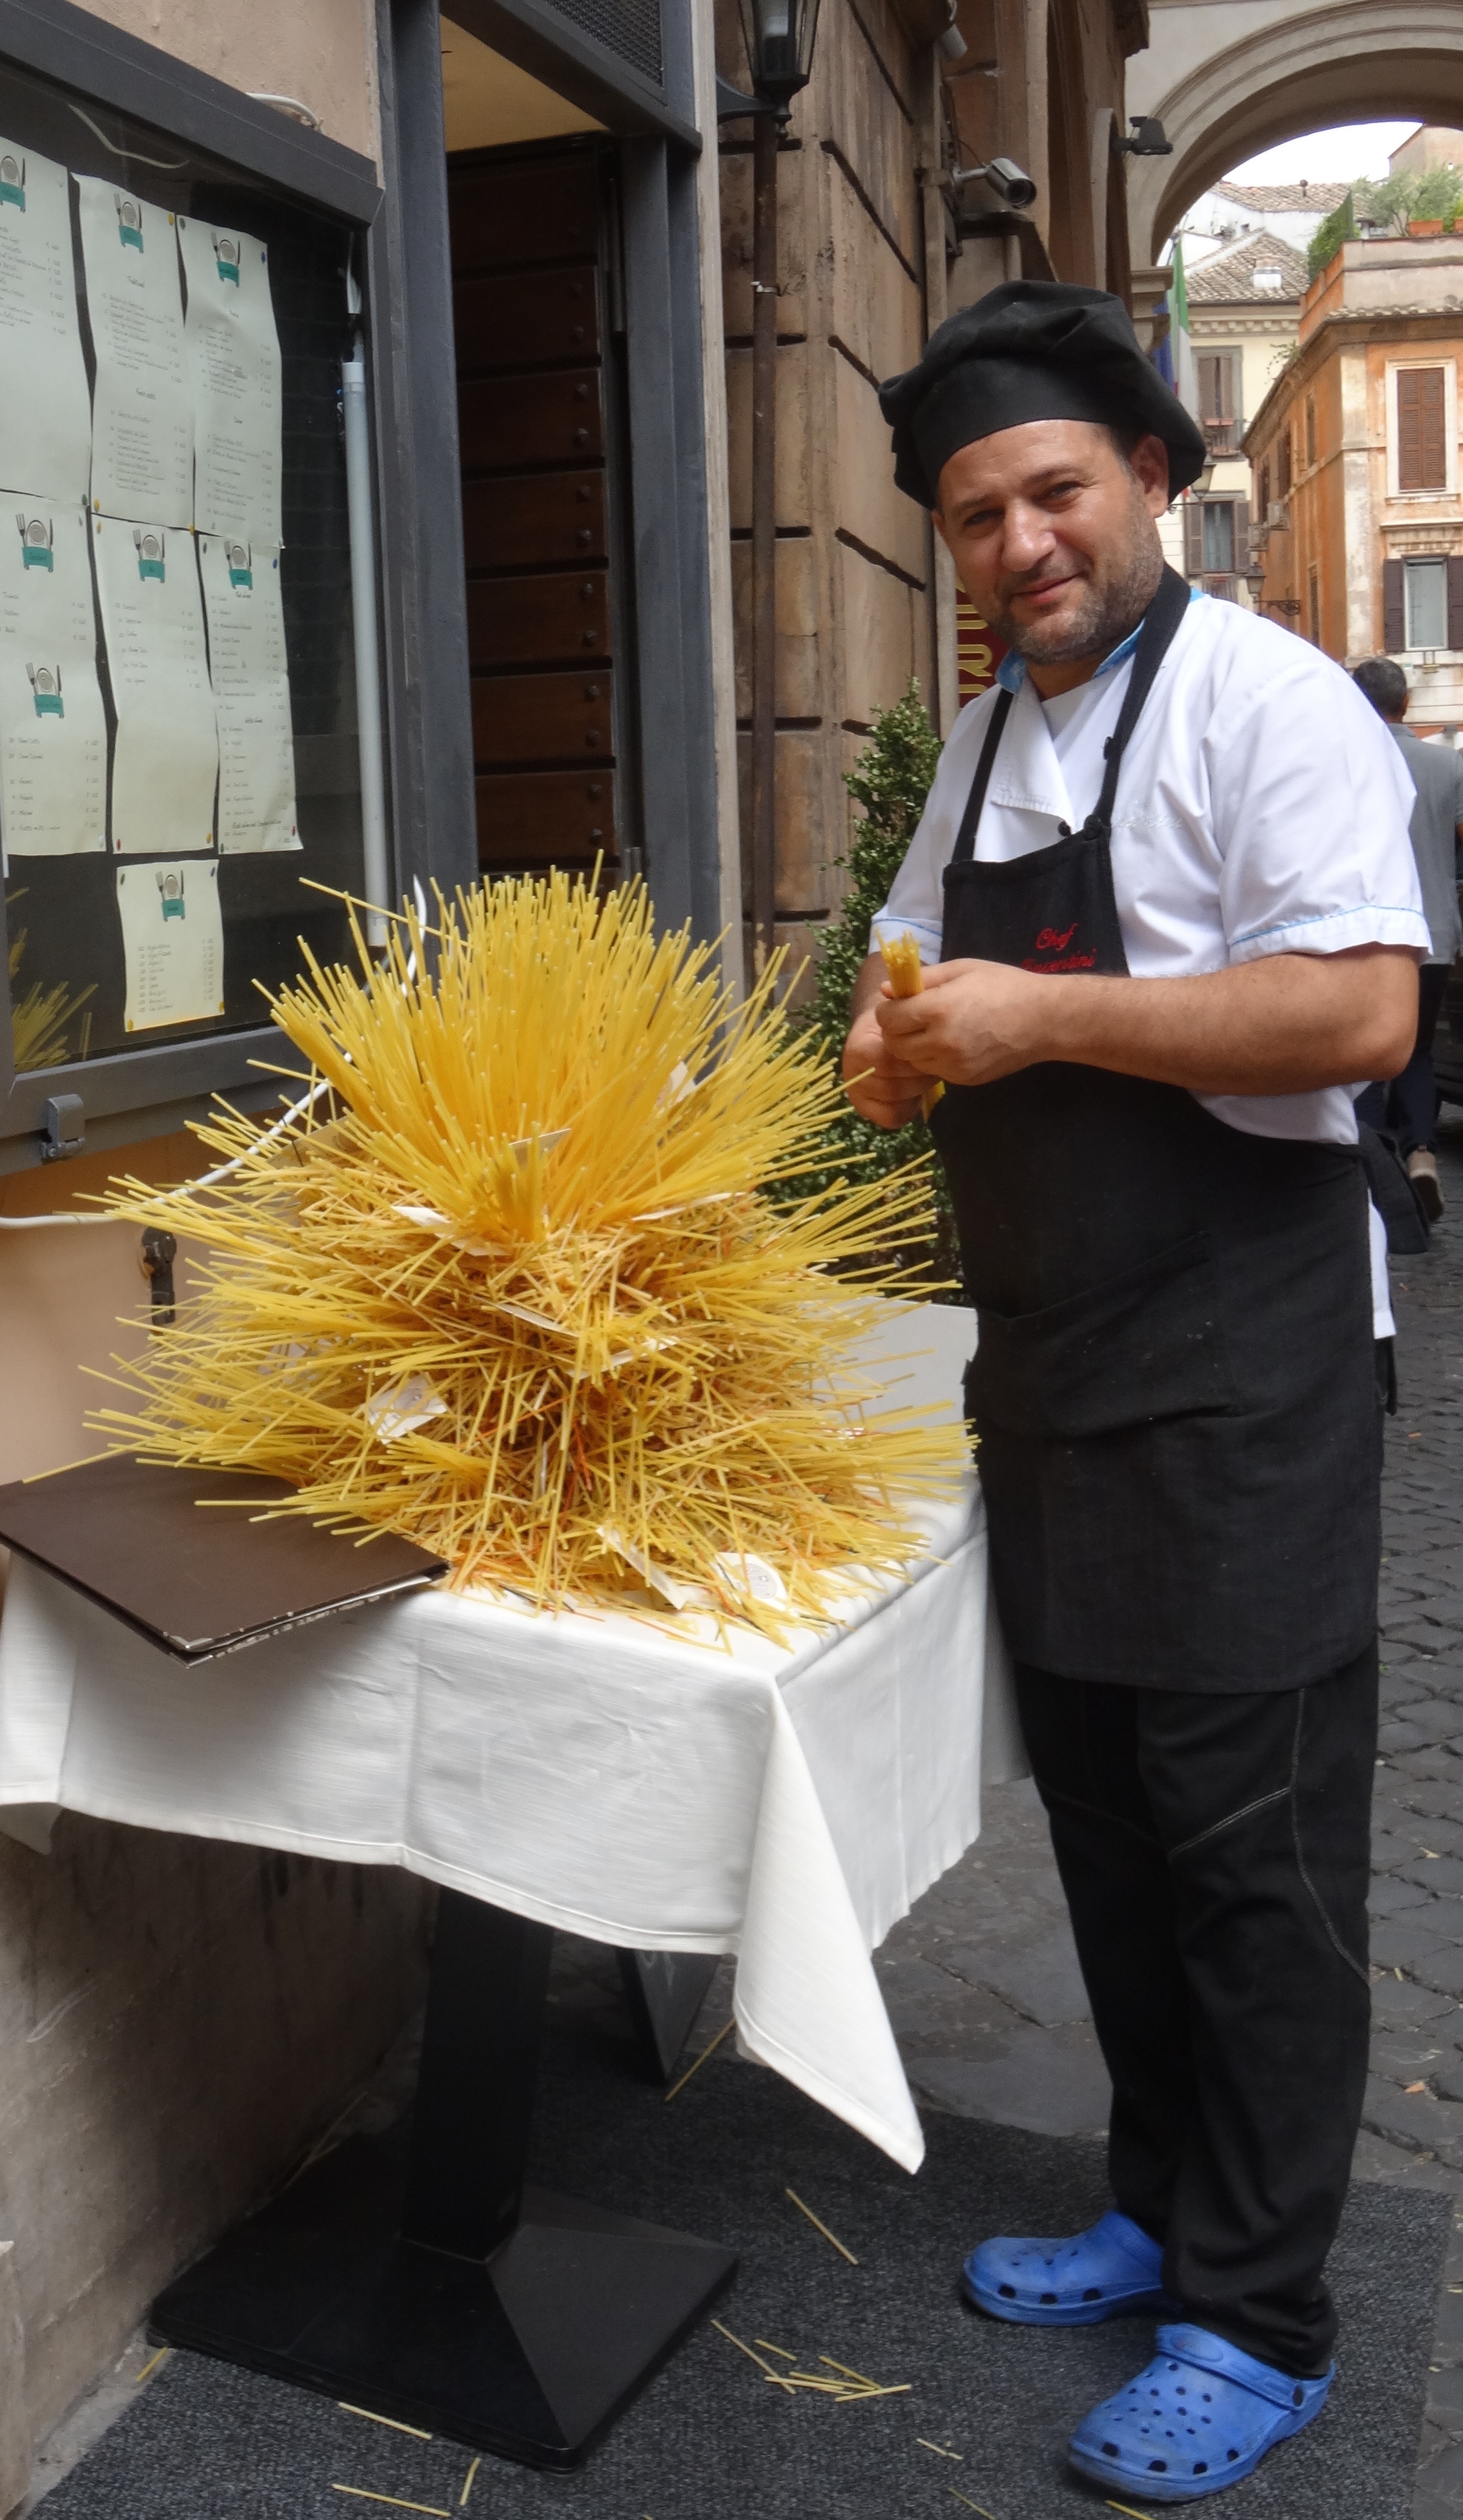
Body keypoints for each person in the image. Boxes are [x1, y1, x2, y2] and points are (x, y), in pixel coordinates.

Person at [844, 280, 1427, 2505]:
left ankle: (1258, 2311)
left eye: (1053, 491)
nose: (1018, 544)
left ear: (1152, 479)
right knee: (1108, 1832)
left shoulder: (1269, 705)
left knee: (1252, 1858)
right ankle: (1160, 2205)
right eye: (975, 516)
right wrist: (890, 1045)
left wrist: (1045, 1018)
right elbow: (911, 973)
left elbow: (1358, 1012)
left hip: (1247, 1371)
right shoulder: (984, 741)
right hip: (1056, 1365)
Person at [1349, 654, 1463, 1219]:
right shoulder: (1448, 765)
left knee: (1363, 1050)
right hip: (1434, 929)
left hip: (1366, 931)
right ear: (1407, 703)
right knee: (1415, 1048)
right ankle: (1421, 1152)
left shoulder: (1344, 761)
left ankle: (1373, 1172)